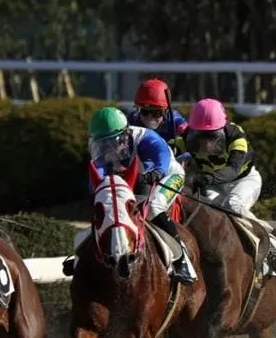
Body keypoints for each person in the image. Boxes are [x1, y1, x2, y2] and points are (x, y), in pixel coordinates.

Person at [63, 107, 196, 283]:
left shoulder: (146, 138)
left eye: (112, 143)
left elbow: (161, 156)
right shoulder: (106, 151)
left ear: (125, 134)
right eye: (102, 144)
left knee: (154, 208)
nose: (108, 149)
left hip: (166, 176)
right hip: (136, 181)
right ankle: (84, 256)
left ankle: (183, 261)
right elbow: (96, 179)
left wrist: (157, 171)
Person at [176, 98, 276, 276]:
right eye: (201, 136)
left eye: (212, 137)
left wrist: (207, 178)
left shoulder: (236, 135)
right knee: (210, 211)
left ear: (223, 128)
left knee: (233, 204)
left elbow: (233, 169)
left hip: (243, 180)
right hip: (214, 185)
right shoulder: (184, 138)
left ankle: (272, 244)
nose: (206, 144)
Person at [129, 78, 188, 145]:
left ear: (166, 111)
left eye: (156, 113)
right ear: (138, 110)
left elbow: (189, 131)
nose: (150, 117)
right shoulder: (132, 120)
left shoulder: (174, 120)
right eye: (145, 112)